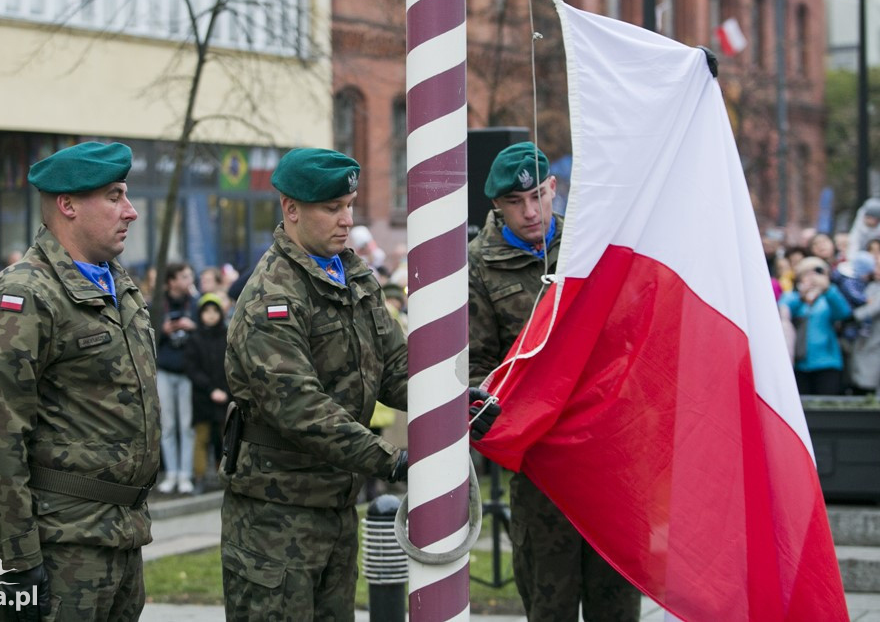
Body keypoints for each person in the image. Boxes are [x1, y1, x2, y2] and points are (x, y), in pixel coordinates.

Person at [221, 147, 499, 619]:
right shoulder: (273, 295)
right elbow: (300, 407)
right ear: (291, 209)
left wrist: (451, 403)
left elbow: (393, 366)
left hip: (334, 506)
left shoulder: (354, 277)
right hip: (274, 516)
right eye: (332, 208)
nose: (346, 220)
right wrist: (391, 461)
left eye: (349, 205)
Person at [0, 142, 160, 621]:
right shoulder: (26, 293)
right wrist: (18, 560)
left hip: (121, 535)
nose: (130, 212)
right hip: (61, 545)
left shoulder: (118, 286)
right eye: (114, 197)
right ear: (68, 205)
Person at [467, 142, 640, 621]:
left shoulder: (589, 246)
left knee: (618, 604)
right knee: (551, 603)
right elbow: (477, 366)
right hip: (540, 463)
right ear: (496, 206)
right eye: (515, 203)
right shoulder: (478, 265)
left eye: (539, 197)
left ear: (554, 189)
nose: (531, 212)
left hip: (606, 459)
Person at [779, 256, 852, 395]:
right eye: (807, 273)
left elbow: (843, 313)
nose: (812, 278)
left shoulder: (829, 297)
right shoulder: (793, 298)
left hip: (828, 362)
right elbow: (783, 310)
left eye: (817, 273)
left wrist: (827, 289)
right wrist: (802, 295)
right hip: (799, 362)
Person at [155, 261, 198, 495]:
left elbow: (208, 333)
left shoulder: (197, 302)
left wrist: (193, 326)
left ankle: (185, 474)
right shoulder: (158, 305)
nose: (188, 279)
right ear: (171, 281)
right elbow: (147, 336)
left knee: (187, 425)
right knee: (168, 424)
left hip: (187, 373)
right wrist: (164, 330)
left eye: (190, 275)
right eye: (183, 276)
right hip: (164, 370)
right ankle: (171, 474)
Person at [184, 292, 231, 492]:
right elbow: (191, 368)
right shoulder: (194, 339)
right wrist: (211, 389)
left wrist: (226, 391)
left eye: (215, 311)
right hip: (203, 398)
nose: (211, 315)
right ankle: (200, 477)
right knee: (201, 438)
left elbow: (232, 365)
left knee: (225, 438)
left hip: (226, 397)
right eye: (206, 311)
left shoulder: (228, 335)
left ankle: (224, 476)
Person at [849, 251, 880, 394]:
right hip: (861, 343)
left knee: (869, 388)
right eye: (877, 266)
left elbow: (870, 310)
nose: (878, 271)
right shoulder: (871, 285)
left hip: (876, 346)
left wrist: (849, 316)